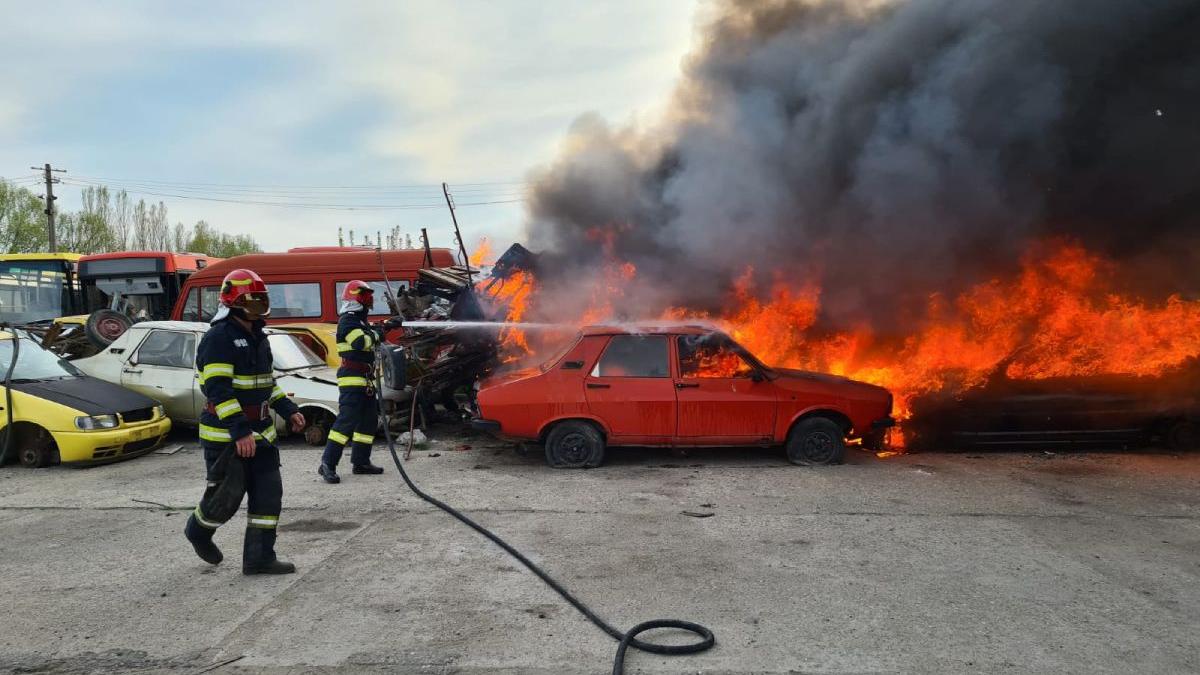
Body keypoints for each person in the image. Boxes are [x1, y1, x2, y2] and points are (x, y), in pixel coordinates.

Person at [183, 268, 306, 575]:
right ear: (233, 301)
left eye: (261, 299)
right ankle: (198, 531)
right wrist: (239, 431)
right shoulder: (218, 338)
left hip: (262, 434)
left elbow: (266, 384)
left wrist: (289, 409)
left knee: (268, 496)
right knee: (226, 498)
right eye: (251, 299)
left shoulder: (258, 337)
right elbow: (218, 390)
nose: (258, 304)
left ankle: (259, 557)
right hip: (226, 436)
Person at [318, 280, 386, 483]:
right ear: (355, 298)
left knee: (368, 421)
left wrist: (385, 327)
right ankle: (327, 464)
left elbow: (369, 334)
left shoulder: (360, 321)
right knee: (346, 421)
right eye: (365, 297)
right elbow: (361, 342)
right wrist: (379, 333)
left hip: (365, 379)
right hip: (352, 378)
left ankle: (361, 462)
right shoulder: (347, 320)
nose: (368, 301)